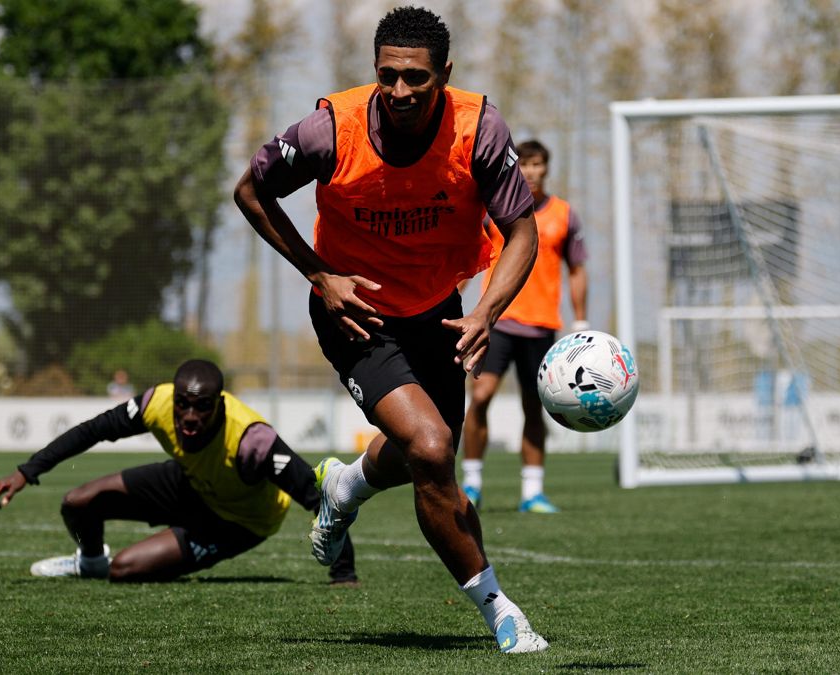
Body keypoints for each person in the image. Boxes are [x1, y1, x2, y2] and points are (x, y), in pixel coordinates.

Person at [234, 6, 547, 653]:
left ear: (445, 75)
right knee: (432, 449)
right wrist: (320, 275)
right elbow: (251, 192)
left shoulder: (479, 130)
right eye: (388, 76)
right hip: (356, 316)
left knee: (425, 454)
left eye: (416, 79)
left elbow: (522, 231)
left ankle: (344, 485)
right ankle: (500, 611)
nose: (400, 92)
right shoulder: (329, 131)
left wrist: (487, 309)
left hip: (441, 311)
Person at [0, 359, 357, 585]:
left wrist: (343, 573)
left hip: (237, 521)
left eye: (202, 407)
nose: (190, 417)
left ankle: (110, 566)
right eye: (183, 405)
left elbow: (318, 496)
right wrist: (27, 471)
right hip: (190, 484)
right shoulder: (157, 402)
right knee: (77, 503)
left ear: (219, 405)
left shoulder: (251, 440)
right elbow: (92, 430)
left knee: (126, 570)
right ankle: (91, 561)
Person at [462, 139, 589, 514]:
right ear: (518, 168)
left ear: (547, 169)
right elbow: (470, 255)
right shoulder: (495, 211)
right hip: (497, 320)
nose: (532, 172)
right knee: (481, 398)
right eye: (527, 164)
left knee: (534, 408)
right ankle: (471, 484)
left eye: (539, 165)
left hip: (541, 327)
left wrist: (580, 320)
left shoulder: (564, 214)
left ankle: (532, 492)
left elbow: (578, 269)